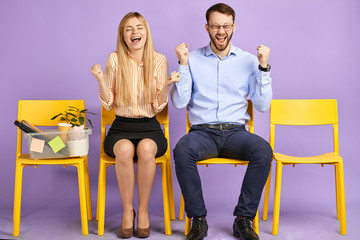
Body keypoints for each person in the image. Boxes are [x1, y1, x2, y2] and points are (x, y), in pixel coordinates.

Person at [171, 3, 273, 240]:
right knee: (182, 149)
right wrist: (183, 65)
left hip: (236, 132)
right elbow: (178, 102)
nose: (221, 31)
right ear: (207, 27)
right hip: (202, 134)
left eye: (226, 25)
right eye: (215, 25)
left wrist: (264, 68)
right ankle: (198, 219)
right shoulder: (192, 58)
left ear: (234, 27)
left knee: (262, 150)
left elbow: (262, 105)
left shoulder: (249, 60)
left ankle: (244, 219)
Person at [90, 12, 180, 238]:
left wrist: (167, 85)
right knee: (124, 150)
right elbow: (109, 103)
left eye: (139, 27)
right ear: (122, 35)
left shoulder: (159, 60)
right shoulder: (114, 59)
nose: (135, 32)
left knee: (146, 149)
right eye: (129, 29)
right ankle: (127, 211)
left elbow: (157, 107)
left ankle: (143, 212)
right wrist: (101, 80)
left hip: (150, 127)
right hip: (121, 126)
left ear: (146, 32)